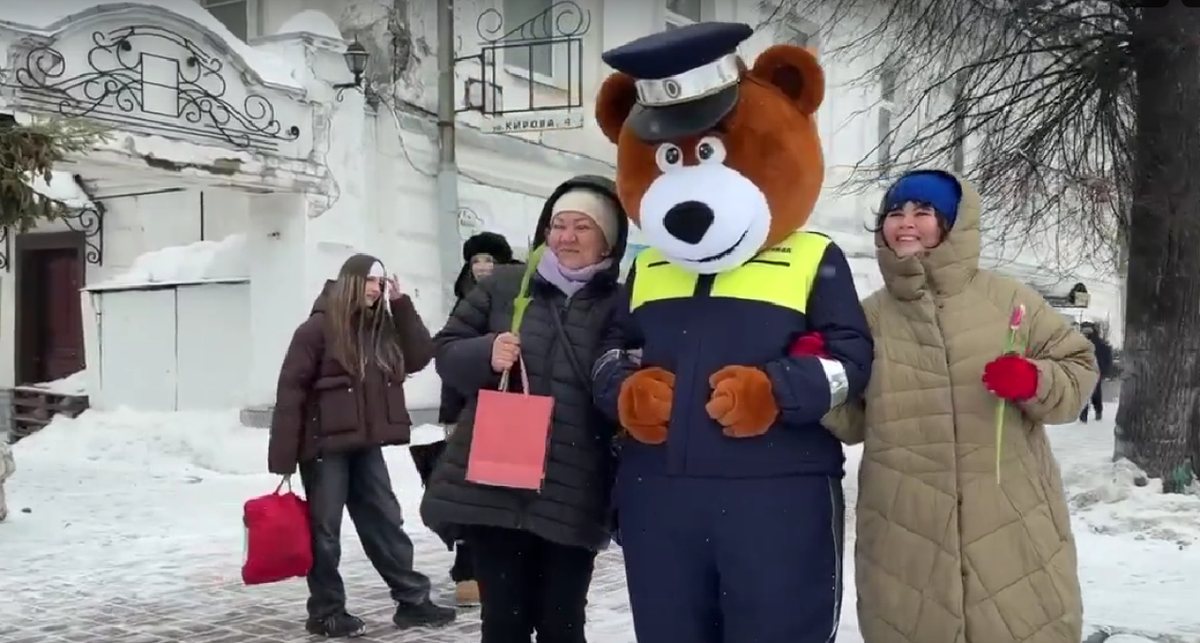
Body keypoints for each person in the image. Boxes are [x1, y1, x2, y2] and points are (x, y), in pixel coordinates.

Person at [804, 170, 1097, 643]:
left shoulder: (1008, 300)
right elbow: (856, 421)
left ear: (953, 224)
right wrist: (818, 378)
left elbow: (1079, 368)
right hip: (907, 527)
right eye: (895, 213)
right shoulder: (868, 316)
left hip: (1008, 518)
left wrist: (1034, 380)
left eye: (923, 212)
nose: (906, 223)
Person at [420, 175, 628, 643]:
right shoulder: (507, 285)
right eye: (558, 225)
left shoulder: (620, 304)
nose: (566, 237)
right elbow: (446, 351)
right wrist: (486, 353)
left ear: (607, 241)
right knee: (504, 621)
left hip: (574, 486)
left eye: (582, 227)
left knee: (563, 623)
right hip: (496, 485)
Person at [268, 253, 456, 638]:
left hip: (365, 445)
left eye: (381, 282)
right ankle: (326, 612)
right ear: (350, 281)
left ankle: (413, 602)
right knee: (325, 532)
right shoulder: (317, 329)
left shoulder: (379, 328)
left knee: (386, 521)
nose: (376, 288)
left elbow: (420, 355)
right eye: (370, 281)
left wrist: (401, 304)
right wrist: (283, 457)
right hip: (324, 449)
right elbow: (290, 393)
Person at [409, 231, 518, 607]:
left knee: (498, 495)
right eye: (476, 261)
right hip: (472, 411)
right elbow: (448, 360)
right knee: (467, 495)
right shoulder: (465, 302)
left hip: (512, 410)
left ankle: (490, 570)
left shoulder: (518, 296)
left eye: (490, 259)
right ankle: (468, 571)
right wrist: (450, 418)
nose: (483, 266)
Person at [1078, 321, 1113, 422]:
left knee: (1086, 393)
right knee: (1095, 393)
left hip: (1087, 370)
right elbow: (1107, 357)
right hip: (1095, 371)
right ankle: (1097, 413)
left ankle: (1084, 416)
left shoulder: (1082, 342)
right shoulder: (1099, 342)